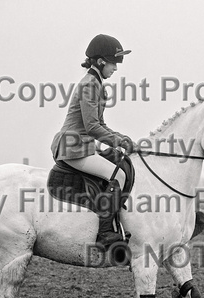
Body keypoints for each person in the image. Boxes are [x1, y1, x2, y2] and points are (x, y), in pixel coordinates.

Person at [50, 34, 135, 245]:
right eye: (114, 63)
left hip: (82, 146)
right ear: (100, 61)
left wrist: (121, 137)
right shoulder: (90, 85)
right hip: (73, 147)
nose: (116, 68)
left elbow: (100, 124)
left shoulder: (97, 83)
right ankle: (105, 233)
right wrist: (117, 142)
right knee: (118, 176)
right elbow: (92, 127)